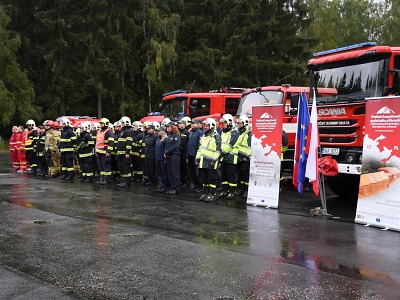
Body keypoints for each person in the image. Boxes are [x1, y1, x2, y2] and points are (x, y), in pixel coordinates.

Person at [196, 118, 221, 202]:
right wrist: (197, 158)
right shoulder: (204, 135)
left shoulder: (216, 136)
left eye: (207, 126)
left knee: (212, 179)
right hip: (203, 161)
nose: (205, 127)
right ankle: (206, 193)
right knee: (204, 178)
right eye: (204, 125)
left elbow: (218, 150)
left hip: (211, 162)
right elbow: (200, 148)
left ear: (212, 126)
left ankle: (212, 194)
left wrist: (214, 160)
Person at [218, 114, 239, 199]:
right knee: (224, 175)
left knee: (231, 175)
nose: (223, 124)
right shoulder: (224, 131)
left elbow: (231, 144)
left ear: (229, 122)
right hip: (223, 156)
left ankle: (232, 192)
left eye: (225, 123)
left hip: (231, 157)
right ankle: (225, 190)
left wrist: (221, 152)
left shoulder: (235, 132)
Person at [234, 115, 252, 198]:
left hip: (245, 158)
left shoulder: (248, 132)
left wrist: (247, 156)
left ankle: (247, 191)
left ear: (245, 123)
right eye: (237, 123)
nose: (238, 124)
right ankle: (241, 190)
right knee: (240, 175)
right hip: (238, 156)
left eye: (240, 123)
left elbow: (250, 146)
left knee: (246, 176)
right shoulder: (238, 132)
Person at [95, 118, 114, 184]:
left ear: (106, 124)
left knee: (106, 166)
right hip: (99, 152)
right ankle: (102, 179)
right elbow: (97, 142)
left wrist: (108, 151)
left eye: (102, 123)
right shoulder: (99, 131)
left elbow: (111, 143)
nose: (100, 125)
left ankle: (107, 179)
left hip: (105, 152)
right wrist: (96, 151)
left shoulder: (109, 132)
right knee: (101, 166)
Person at [116, 117, 134, 188]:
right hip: (121, 153)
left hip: (125, 154)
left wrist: (127, 152)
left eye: (122, 123)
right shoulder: (122, 132)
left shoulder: (128, 131)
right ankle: (123, 181)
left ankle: (127, 182)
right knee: (122, 167)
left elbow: (129, 143)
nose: (121, 124)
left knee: (126, 168)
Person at [164, 122, 181, 194]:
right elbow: (167, 146)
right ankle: (172, 187)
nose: (167, 128)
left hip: (174, 155)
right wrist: (166, 153)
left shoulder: (176, 135)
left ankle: (176, 188)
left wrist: (167, 152)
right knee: (170, 172)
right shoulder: (168, 136)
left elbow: (175, 146)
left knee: (175, 172)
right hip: (168, 156)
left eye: (169, 127)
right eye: (167, 127)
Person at [187, 119, 203, 192]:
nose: (192, 125)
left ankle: (200, 186)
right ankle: (196, 185)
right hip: (190, 154)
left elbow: (200, 145)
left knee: (197, 172)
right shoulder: (191, 133)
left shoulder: (199, 132)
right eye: (191, 123)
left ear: (198, 124)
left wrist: (198, 157)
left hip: (195, 155)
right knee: (192, 172)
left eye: (194, 123)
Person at [178, 116, 191, 188]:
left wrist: (187, 155)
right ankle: (182, 181)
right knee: (180, 168)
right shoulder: (178, 132)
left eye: (181, 123)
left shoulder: (186, 132)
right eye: (179, 123)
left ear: (184, 124)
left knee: (185, 168)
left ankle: (187, 182)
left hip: (184, 153)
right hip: (179, 153)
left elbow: (188, 143)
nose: (179, 125)